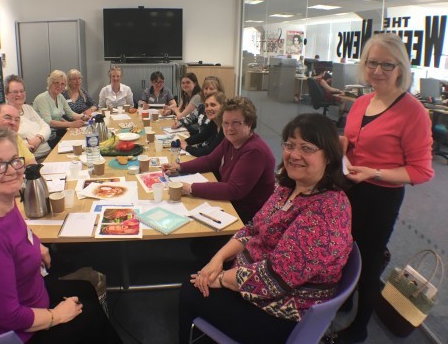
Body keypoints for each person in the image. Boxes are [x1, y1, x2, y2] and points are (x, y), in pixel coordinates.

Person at [178, 113, 353, 344]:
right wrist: (218, 259)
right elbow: (251, 228)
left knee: (189, 290)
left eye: (307, 148)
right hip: (255, 281)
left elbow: (273, 278)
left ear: (329, 156)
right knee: (201, 265)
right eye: (290, 145)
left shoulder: (326, 212)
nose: (294, 155)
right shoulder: (288, 188)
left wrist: (219, 278)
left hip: (280, 311)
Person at [0, 128, 121, 343]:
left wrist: (38, 246)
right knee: (89, 317)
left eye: (15, 160)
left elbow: (20, 229)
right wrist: (56, 316)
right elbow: (7, 315)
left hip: (32, 294)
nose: (12, 171)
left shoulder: (3, 199)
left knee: (84, 289)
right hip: (13, 332)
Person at [338, 33, 434, 343]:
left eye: (386, 65)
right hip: (349, 185)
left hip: (380, 195)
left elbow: (421, 170)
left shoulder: (413, 112)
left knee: (367, 261)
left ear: (401, 68)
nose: (377, 70)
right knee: (341, 249)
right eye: (372, 63)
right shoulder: (363, 101)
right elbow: (354, 139)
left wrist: (375, 172)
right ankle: (345, 296)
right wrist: (340, 145)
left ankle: (360, 327)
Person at [162, 96, 275, 224]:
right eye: (225, 123)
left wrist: (190, 188)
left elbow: (234, 190)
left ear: (249, 124)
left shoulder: (254, 151)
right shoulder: (230, 141)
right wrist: (179, 167)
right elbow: (210, 161)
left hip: (246, 217)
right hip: (229, 204)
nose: (229, 128)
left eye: (236, 123)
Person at [33, 70, 86, 149]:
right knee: (74, 146)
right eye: (56, 83)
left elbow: (70, 113)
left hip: (56, 132)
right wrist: (71, 124)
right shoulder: (42, 98)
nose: (59, 86)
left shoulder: (60, 96)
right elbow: (49, 122)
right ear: (50, 83)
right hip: (46, 138)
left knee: (81, 140)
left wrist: (83, 117)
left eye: (62, 84)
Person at [5, 75, 51, 160]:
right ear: (6, 95)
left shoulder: (27, 108)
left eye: (22, 91)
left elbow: (46, 127)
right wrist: (26, 145)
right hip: (34, 159)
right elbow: (9, 141)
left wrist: (39, 138)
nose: (19, 94)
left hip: (48, 153)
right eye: (15, 92)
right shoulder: (5, 115)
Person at [181, 91, 225, 157]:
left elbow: (209, 152)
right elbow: (201, 136)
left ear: (223, 106)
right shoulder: (214, 122)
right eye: (206, 105)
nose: (208, 108)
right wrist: (184, 141)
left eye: (213, 105)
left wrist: (186, 147)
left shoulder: (226, 128)